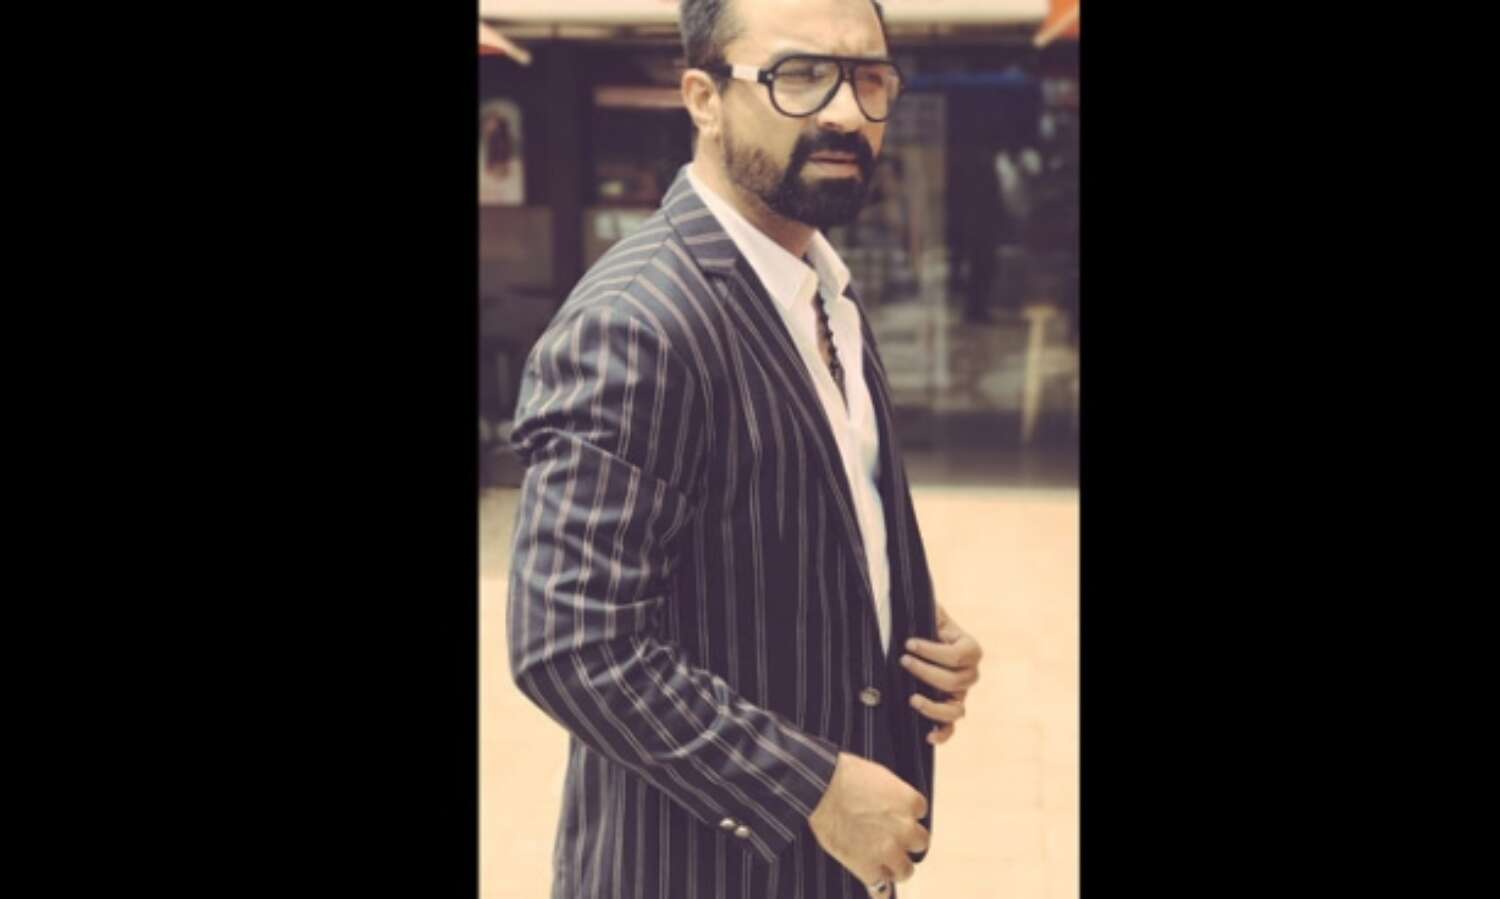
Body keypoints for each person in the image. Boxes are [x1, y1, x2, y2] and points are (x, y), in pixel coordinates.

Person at [507, 1, 983, 895]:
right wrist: (813, 788)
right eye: (799, 76)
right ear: (703, 97)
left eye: (869, 79)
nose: (845, 111)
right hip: (693, 871)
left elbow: (782, 530)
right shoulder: (639, 323)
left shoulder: (822, 293)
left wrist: (900, 624)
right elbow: (573, 643)